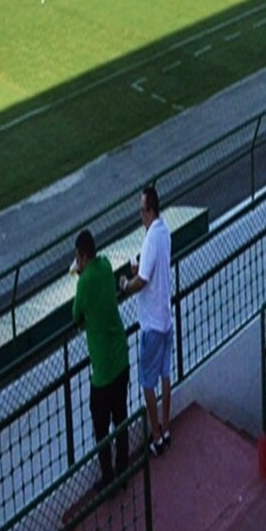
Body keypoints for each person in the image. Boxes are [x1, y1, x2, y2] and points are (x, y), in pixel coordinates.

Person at [72, 229, 130, 492]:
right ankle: (124, 470)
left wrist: (80, 276)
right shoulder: (105, 265)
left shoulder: (84, 283)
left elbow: (76, 315)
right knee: (121, 418)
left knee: (101, 428)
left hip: (104, 370)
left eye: (78, 258)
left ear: (83, 257)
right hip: (120, 357)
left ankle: (109, 479)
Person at [120, 185, 173, 456]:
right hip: (166, 318)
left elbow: (142, 280)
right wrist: (139, 270)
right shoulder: (164, 232)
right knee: (165, 374)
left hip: (152, 323)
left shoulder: (151, 238)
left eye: (142, 210)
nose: (140, 215)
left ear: (149, 210)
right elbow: (150, 270)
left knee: (147, 383)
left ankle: (156, 435)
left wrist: (125, 285)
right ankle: (166, 427)